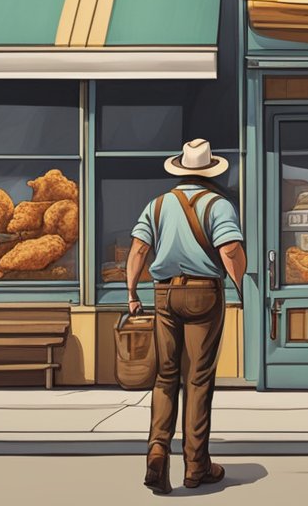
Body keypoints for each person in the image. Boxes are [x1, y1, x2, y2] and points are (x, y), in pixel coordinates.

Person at [126, 138, 246, 496]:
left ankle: (157, 450)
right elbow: (231, 251)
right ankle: (196, 466)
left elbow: (137, 251)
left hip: (163, 293)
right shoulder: (219, 205)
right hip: (204, 293)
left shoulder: (157, 205)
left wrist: (132, 293)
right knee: (197, 379)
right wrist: (241, 286)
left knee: (165, 376)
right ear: (209, 171)